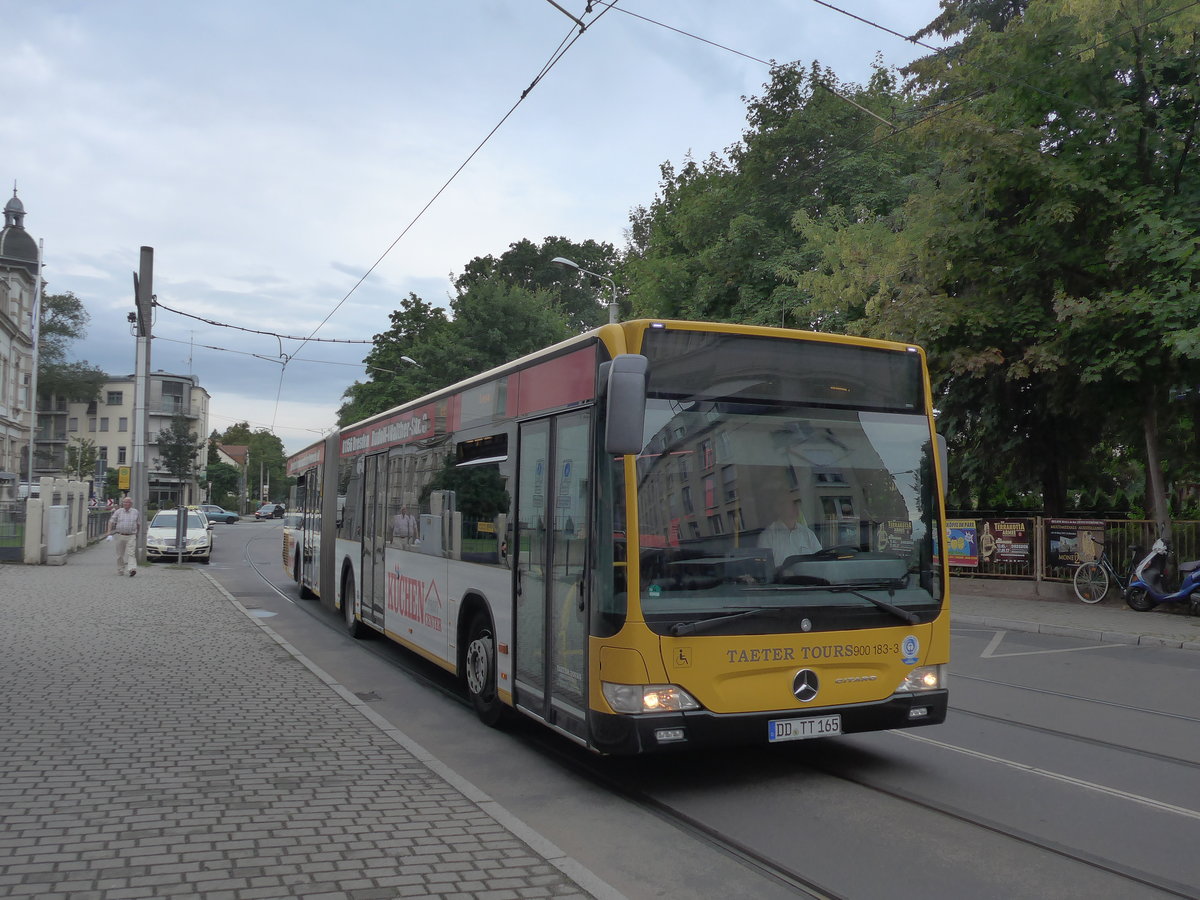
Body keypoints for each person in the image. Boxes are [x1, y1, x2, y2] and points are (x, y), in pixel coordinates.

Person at [757, 494, 821, 565]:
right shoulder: (767, 537)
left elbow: (820, 562)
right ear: (778, 508)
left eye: (797, 504)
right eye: (791, 504)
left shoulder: (807, 533)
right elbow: (765, 570)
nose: (796, 507)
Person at [106, 496, 141, 577]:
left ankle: (132, 569)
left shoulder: (135, 512)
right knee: (120, 555)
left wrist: (137, 533)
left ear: (131, 504)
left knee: (131, 553)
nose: (126, 504)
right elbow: (111, 521)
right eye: (125, 502)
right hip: (120, 535)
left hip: (131, 535)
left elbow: (138, 523)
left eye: (128, 502)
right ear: (122, 503)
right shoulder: (118, 512)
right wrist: (109, 532)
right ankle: (120, 569)